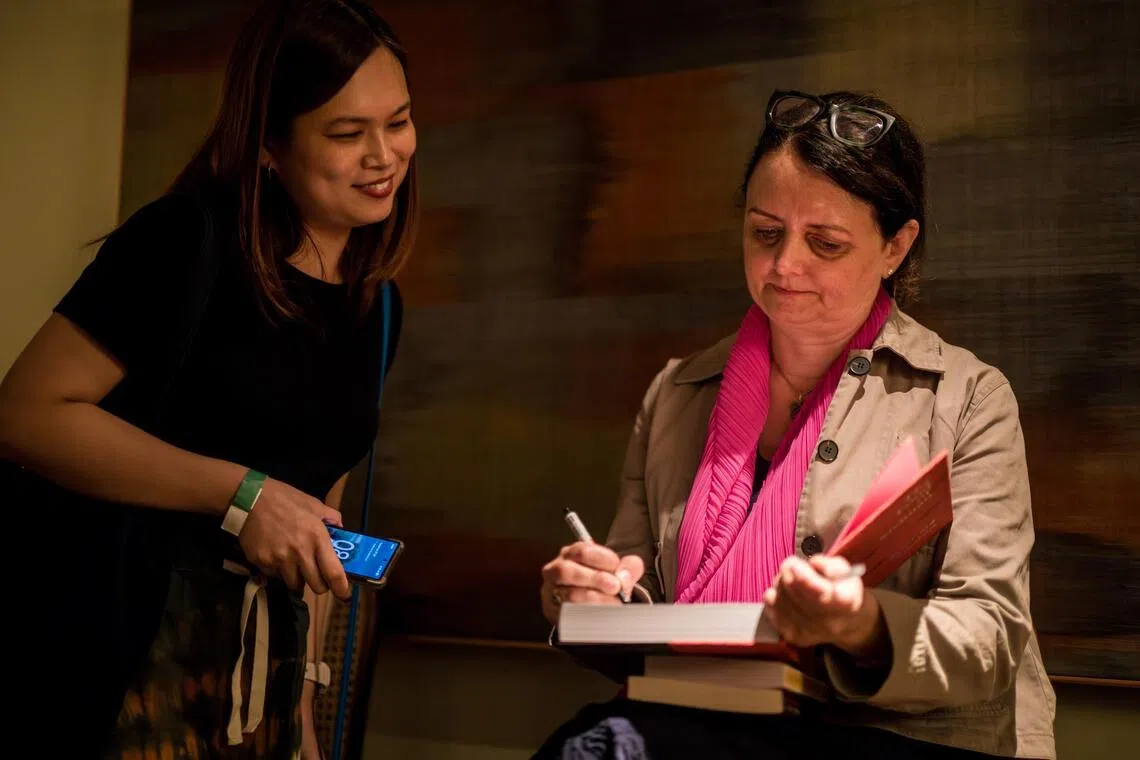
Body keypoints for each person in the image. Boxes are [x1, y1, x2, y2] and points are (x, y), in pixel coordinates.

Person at [536, 90, 1056, 759]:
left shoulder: (966, 398)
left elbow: (988, 636)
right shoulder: (677, 392)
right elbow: (643, 609)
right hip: (701, 719)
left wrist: (864, 626)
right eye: (765, 233)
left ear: (897, 246)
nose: (785, 266)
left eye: (826, 243)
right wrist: (587, 602)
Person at [0, 0, 417, 756]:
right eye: (349, 134)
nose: (384, 156)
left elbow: (321, 509)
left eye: (399, 121)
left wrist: (306, 706)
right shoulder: (182, 244)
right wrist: (239, 493)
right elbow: (25, 413)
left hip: (260, 681)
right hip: (117, 650)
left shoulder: (375, 303)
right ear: (267, 144)